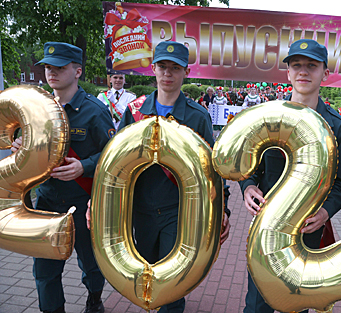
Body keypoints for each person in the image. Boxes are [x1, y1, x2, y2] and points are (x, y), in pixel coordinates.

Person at [115, 41, 231, 313]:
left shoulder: (197, 116)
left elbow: (212, 168)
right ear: (153, 69)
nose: (168, 74)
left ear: (186, 72)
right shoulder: (135, 111)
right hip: (140, 209)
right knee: (145, 272)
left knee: (173, 282)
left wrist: (222, 208)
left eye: (175, 68)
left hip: (178, 212)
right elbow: (115, 159)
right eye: (163, 67)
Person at [239, 39, 341, 313]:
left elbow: (340, 185)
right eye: (296, 65)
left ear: (325, 72)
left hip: (307, 234)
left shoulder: (335, 125)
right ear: (287, 73)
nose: (303, 72)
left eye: (312, 66)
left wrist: (325, 213)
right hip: (266, 230)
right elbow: (249, 169)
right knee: (256, 304)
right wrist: (248, 187)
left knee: (296, 304)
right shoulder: (270, 116)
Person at [10, 42, 115, 313]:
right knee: (44, 269)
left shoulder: (95, 111)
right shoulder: (35, 109)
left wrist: (85, 166)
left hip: (82, 202)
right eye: (47, 67)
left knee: (91, 264)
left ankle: (94, 297)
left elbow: (113, 155)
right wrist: (20, 147)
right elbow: (29, 146)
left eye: (60, 67)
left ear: (78, 71)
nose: (51, 72)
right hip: (45, 200)